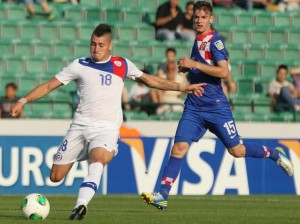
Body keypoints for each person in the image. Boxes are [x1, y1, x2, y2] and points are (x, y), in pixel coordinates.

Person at [10, 23, 205, 220]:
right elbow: (49, 86)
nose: (96, 49)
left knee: (99, 159)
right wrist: (23, 100)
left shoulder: (122, 64)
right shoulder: (79, 65)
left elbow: (150, 81)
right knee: (55, 176)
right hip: (79, 127)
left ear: (110, 46)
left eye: (101, 45)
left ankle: (81, 204)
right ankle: (89, 152)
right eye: (93, 44)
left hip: (106, 129)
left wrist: (183, 87)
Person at [141, 1, 294, 211]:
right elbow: (204, 69)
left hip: (216, 107)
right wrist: (190, 70)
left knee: (237, 151)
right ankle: (163, 195)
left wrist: (194, 64)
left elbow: (223, 72)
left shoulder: (216, 42)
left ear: (211, 19)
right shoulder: (197, 40)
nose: (199, 20)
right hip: (194, 106)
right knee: (178, 147)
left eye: (203, 17)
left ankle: (274, 154)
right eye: (196, 17)